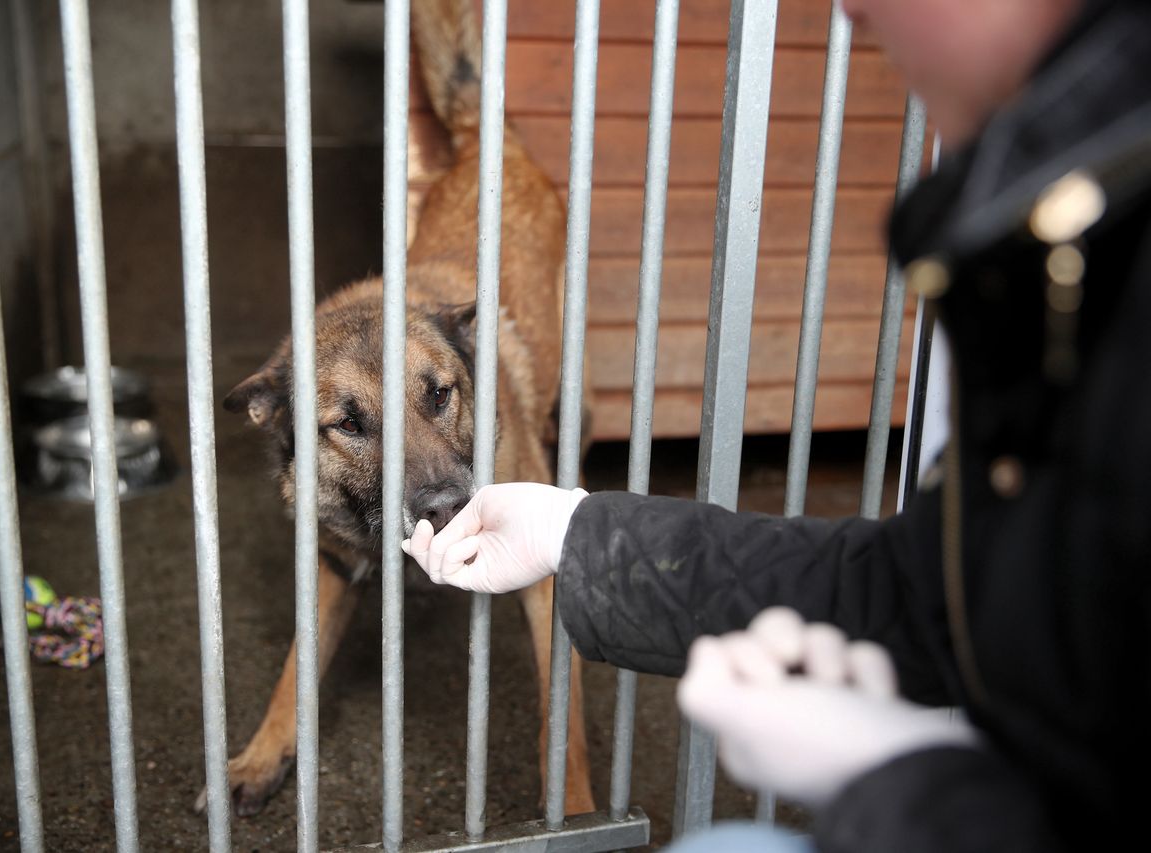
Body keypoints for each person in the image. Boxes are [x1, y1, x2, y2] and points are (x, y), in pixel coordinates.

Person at [403, 0, 1151, 850]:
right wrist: (579, 532)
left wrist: (910, 785)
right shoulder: (1070, 231)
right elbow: (933, 591)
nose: (850, 9)